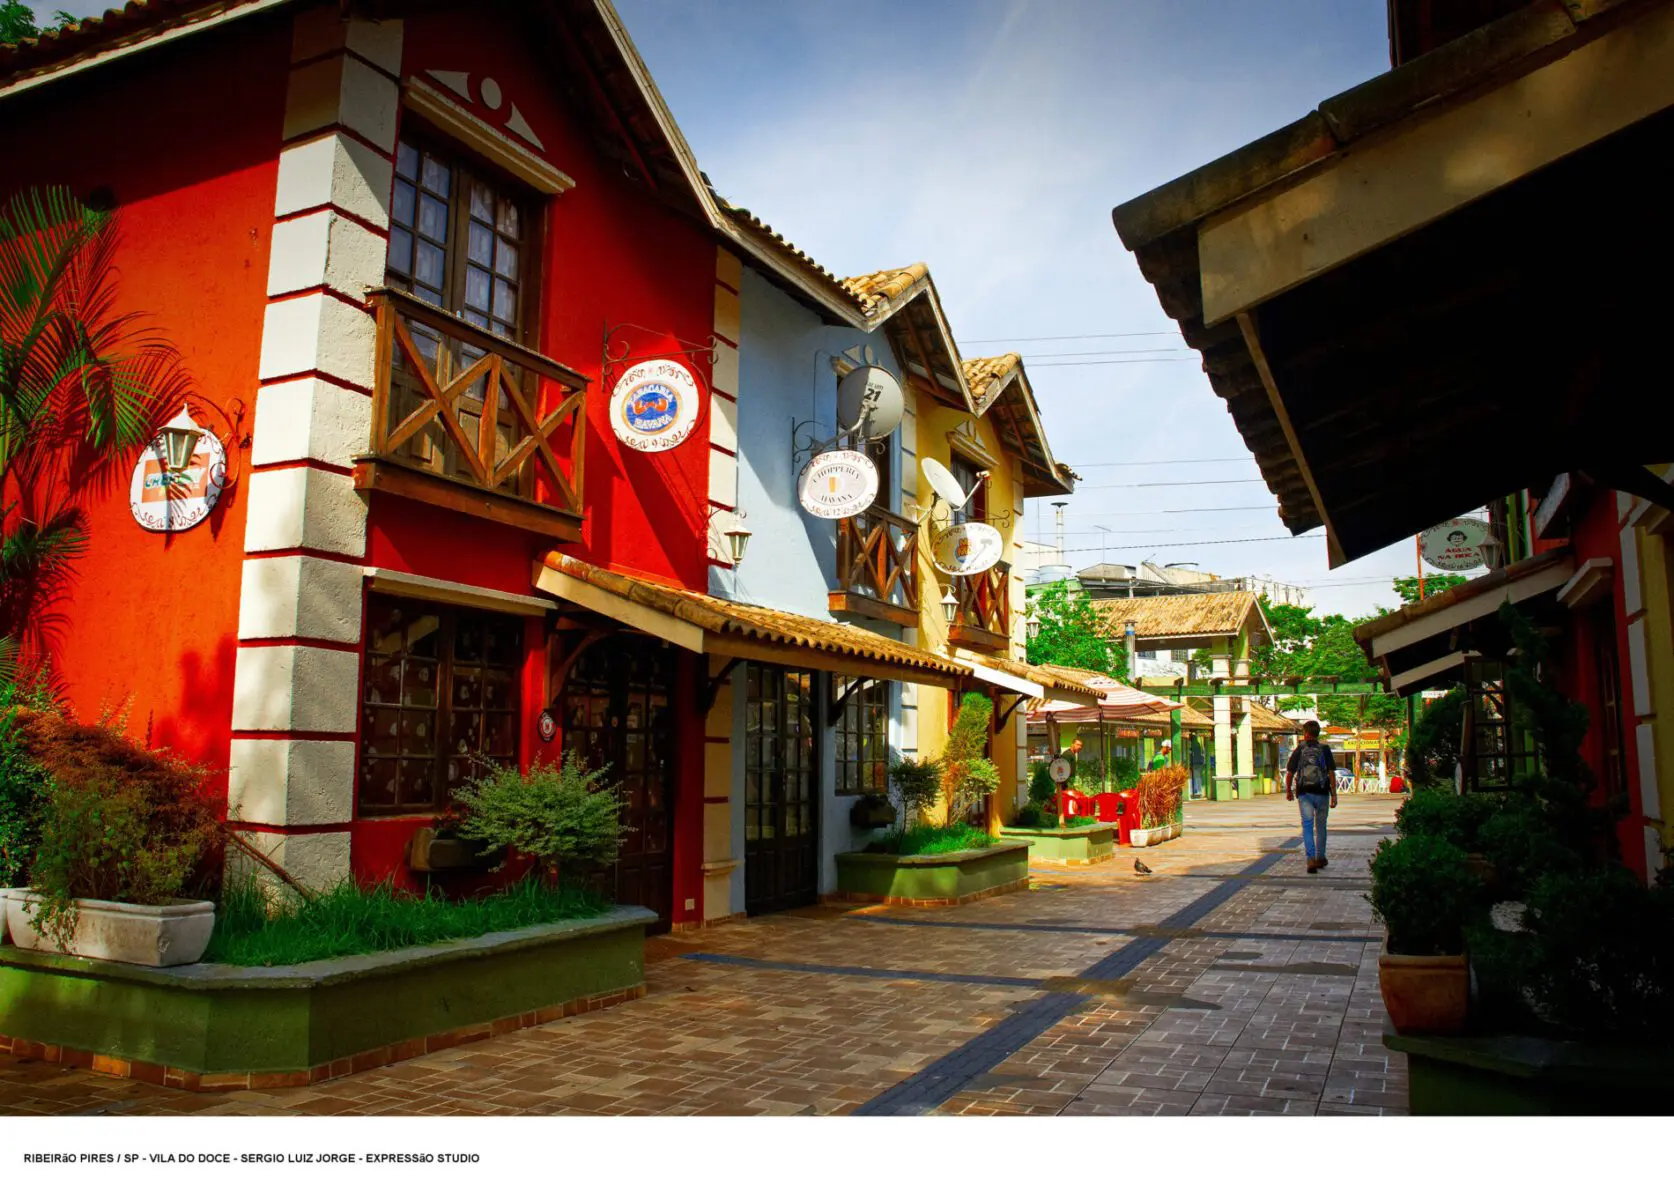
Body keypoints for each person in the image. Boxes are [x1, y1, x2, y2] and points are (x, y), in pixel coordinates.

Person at [1286, 719, 1338, 873]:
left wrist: (1289, 790)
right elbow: (1331, 772)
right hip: (1322, 792)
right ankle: (1320, 857)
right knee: (1321, 826)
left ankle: (1310, 859)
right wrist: (1334, 794)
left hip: (1304, 793)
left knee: (1307, 826)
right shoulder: (1325, 749)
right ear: (1317, 733)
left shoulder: (1300, 749)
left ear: (1306, 733)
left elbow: (1290, 772)